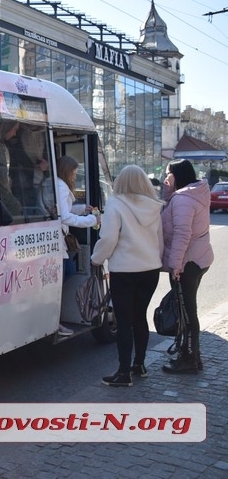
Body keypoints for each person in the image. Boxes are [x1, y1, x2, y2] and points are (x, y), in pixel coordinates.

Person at [90, 165, 164, 387]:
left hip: (124, 271)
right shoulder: (154, 206)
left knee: (124, 322)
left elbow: (109, 238)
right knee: (140, 317)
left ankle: (123, 373)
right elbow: (160, 240)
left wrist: (96, 258)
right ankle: (139, 365)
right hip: (150, 270)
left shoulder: (115, 204)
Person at [160, 159, 213, 374]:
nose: (165, 177)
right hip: (197, 259)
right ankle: (190, 356)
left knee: (188, 313)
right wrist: (168, 192)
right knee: (187, 310)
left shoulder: (183, 199)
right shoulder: (191, 194)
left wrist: (175, 265)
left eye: (168, 174)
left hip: (186, 263)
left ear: (177, 175)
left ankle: (190, 359)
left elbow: (182, 233)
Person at [55, 155, 100, 335]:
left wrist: (82, 209)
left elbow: (62, 210)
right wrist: (91, 220)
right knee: (67, 272)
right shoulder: (62, 187)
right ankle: (55, 321)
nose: (75, 177)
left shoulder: (55, 183)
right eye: (73, 174)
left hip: (56, 239)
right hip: (58, 240)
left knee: (65, 273)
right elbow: (64, 217)